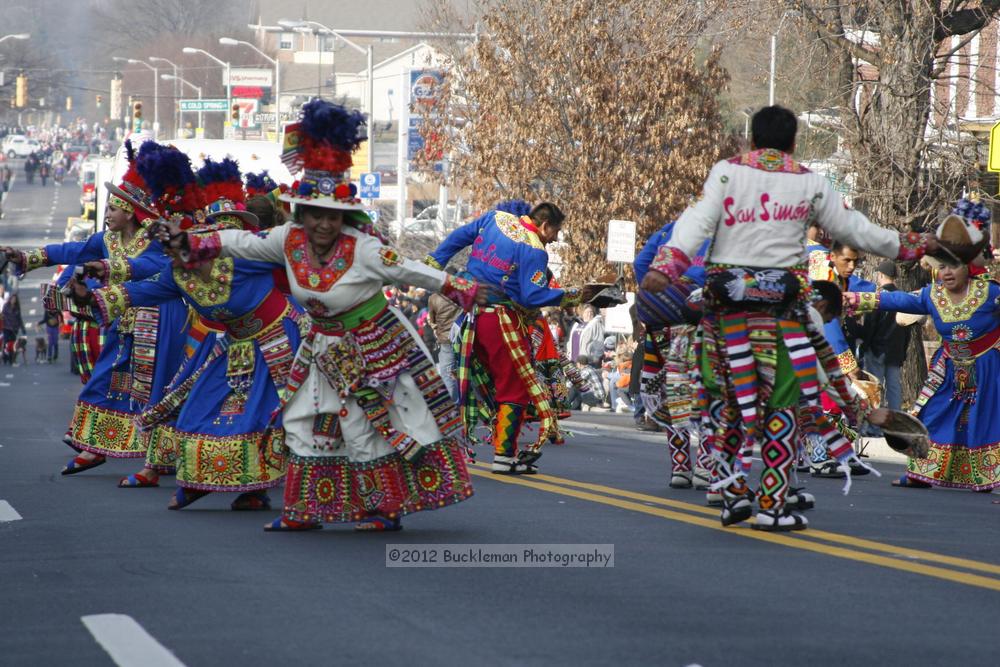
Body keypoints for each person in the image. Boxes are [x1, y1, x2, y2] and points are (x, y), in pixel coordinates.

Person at [158, 99, 484, 532]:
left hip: (374, 346)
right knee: (299, 421)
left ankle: (383, 509)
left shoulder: (365, 248)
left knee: (363, 427)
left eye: (332, 216)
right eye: (314, 215)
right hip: (323, 345)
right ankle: (305, 510)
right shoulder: (288, 239)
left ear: (344, 216)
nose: (323, 225)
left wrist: (459, 287)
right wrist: (194, 244)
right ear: (300, 213)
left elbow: (411, 269)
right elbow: (242, 243)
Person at [640, 105, 932, 531]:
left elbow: (694, 225)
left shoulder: (726, 173)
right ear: (793, 142)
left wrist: (664, 268)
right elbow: (853, 229)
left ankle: (731, 493)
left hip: (725, 319)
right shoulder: (809, 182)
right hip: (782, 319)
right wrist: (911, 247)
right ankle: (772, 506)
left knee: (728, 407)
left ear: (752, 141)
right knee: (782, 413)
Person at [78, 154, 301, 510]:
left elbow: (297, 257)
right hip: (232, 342)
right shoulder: (177, 272)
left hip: (278, 338)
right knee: (197, 408)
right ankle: (200, 478)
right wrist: (91, 295)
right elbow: (140, 291)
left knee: (266, 416)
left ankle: (256, 490)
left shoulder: (250, 254)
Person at [1, 140, 188, 474]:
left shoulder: (153, 242)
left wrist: (106, 269)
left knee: (153, 387)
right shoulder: (106, 240)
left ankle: (158, 458)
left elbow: (149, 269)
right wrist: (30, 257)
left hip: (157, 319)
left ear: (130, 211)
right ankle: (94, 446)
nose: (107, 215)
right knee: (103, 380)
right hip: (119, 317)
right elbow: (72, 250)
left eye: (113, 209)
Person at [428, 200, 588, 474]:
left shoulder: (494, 218)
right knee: (514, 387)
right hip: (500, 320)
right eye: (556, 232)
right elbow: (532, 295)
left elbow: (458, 237)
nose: (555, 239)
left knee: (492, 384)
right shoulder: (534, 249)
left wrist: (434, 262)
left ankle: (497, 448)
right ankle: (504, 456)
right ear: (545, 225)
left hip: (470, 317)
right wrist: (577, 294)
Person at [845, 216, 998, 492]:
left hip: (988, 368)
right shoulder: (933, 295)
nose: (947, 272)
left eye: (955, 265)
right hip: (948, 368)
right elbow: (898, 299)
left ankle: (983, 477)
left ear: (969, 268)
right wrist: (855, 299)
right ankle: (920, 472)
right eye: (942, 267)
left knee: (983, 420)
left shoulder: (990, 293)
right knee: (931, 414)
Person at [859, 260, 909, 413]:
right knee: (894, 386)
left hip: (877, 349)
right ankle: (896, 419)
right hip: (896, 350)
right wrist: (904, 350)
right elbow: (907, 327)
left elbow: (870, 326)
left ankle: (875, 424)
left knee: (875, 386)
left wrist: (864, 347)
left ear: (880, 275)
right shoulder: (904, 298)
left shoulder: (877, 297)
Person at [427, 277, 464, 403]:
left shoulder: (434, 298)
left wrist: (436, 330)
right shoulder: (459, 291)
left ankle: (454, 403)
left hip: (446, 340)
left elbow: (432, 320)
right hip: (463, 335)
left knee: (446, 374)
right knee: (469, 367)